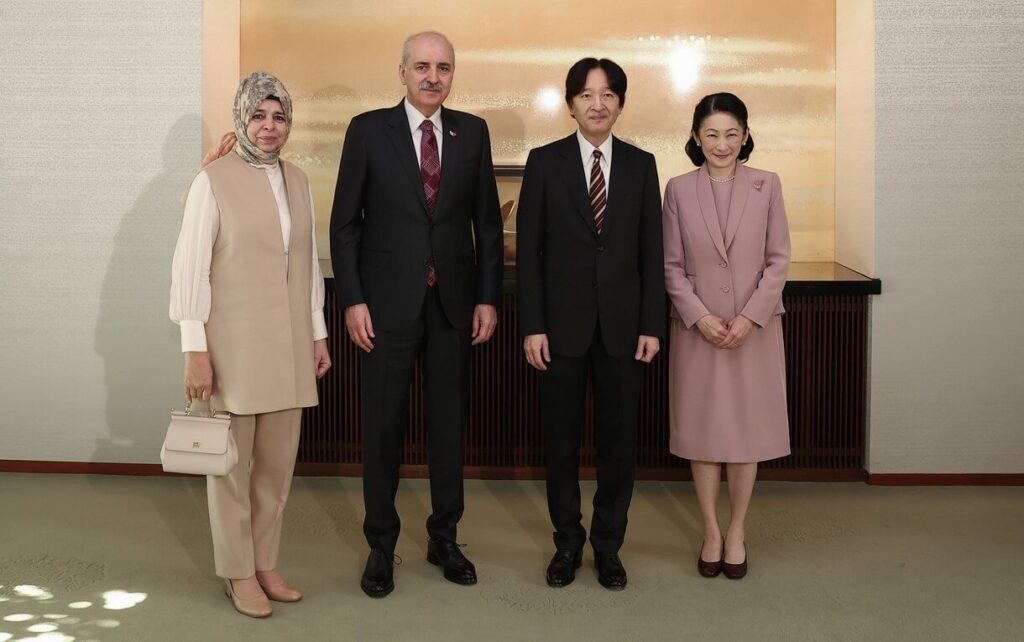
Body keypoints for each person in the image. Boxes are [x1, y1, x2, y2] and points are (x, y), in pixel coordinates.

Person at [329, 31, 503, 598]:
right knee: (382, 428)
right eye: (423, 66)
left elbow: (488, 225)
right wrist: (353, 298)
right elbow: (345, 224)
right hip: (383, 306)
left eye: (444, 68)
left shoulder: (471, 132)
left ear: (454, 75)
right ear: (402, 72)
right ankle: (381, 545)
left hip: (453, 305)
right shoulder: (366, 130)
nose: (434, 76)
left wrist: (487, 297)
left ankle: (444, 537)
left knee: (449, 427)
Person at [170, 71, 332, 617]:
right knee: (232, 470)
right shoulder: (211, 181)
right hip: (232, 347)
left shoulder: (300, 181)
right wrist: (195, 347)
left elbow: (307, 264)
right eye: (260, 115)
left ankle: (265, 563)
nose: (269, 126)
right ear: (242, 116)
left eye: (279, 116)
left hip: (288, 345)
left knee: (276, 467)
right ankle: (238, 574)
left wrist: (318, 331)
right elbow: (191, 271)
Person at [517, 58, 665, 590]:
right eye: (586, 94)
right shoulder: (544, 162)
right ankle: (565, 545)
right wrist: (533, 325)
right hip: (559, 329)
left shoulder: (643, 165)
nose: (597, 104)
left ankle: (607, 546)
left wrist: (652, 324)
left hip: (625, 329)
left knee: (618, 443)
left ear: (620, 103)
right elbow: (529, 254)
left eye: (607, 95)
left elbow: (653, 252)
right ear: (571, 103)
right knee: (559, 442)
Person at [662, 92, 791, 580]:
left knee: (745, 432)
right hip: (698, 331)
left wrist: (750, 316)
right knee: (703, 433)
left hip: (752, 330)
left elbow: (779, 259)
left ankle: (737, 529)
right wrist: (698, 315)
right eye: (711, 134)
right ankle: (711, 530)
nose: (722, 143)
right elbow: (670, 265)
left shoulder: (768, 184)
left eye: (731, 133)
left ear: (746, 135)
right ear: (696, 137)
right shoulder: (677, 189)